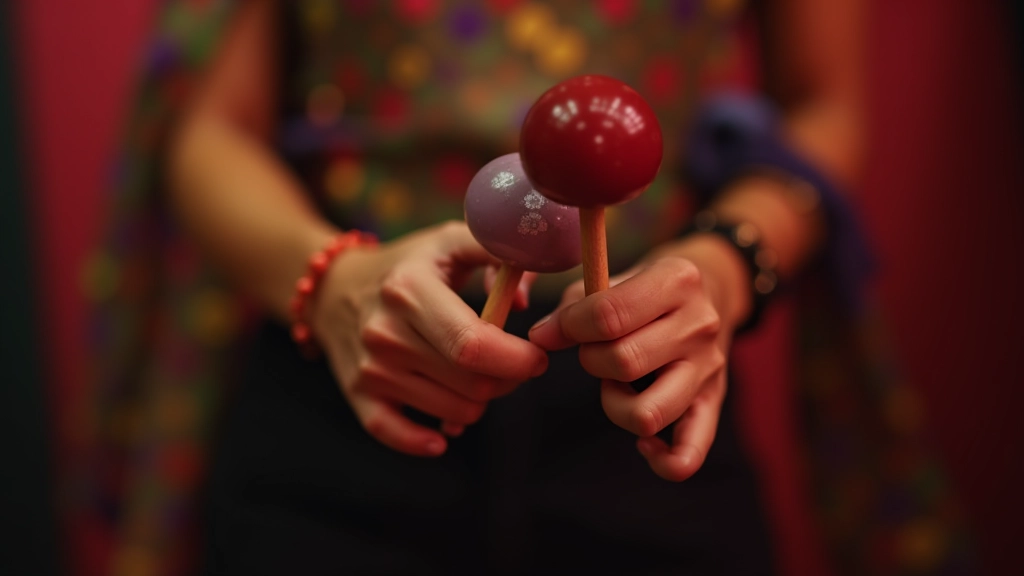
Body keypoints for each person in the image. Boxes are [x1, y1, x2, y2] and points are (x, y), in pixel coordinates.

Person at [86, 1, 969, 575]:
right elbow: (210, 130)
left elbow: (824, 105)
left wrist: (728, 263)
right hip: (352, 384)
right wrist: (333, 282)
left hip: (646, 397)